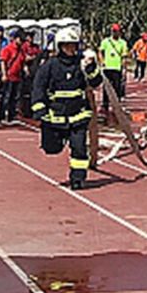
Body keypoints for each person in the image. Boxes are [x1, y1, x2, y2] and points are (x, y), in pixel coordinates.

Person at [31, 28, 102, 190]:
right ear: (60, 46)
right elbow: (38, 87)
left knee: (79, 148)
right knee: (51, 148)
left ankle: (78, 178)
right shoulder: (50, 66)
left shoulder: (82, 63)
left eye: (73, 45)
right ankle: (57, 141)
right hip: (55, 116)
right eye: (67, 46)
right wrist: (39, 109)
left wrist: (91, 68)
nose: (71, 49)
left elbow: (96, 82)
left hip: (78, 115)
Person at [98, 23, 128, 112]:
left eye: (116, 31)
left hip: (117, 67)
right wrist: (102, 61)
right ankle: (105, 104)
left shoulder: (122, 43)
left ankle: (116, 104)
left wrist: (124, 68)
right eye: (113, 31)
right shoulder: (105, 41)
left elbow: (124, 57)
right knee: (106, 87)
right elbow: (100, 51)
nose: (115, 33)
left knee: (117, 86)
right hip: (107, 67)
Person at [0, 30, 26, 123]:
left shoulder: (21, 50)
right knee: (6, 96)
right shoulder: (8, 49)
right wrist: (4, 74)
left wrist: (24, 70)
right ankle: (1, 115)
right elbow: (3, 61)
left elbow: (22, 61)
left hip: (17, 76)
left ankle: (11, 115)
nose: (21, 42)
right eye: (20, 40)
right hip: (9, 76)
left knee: (15, 97)